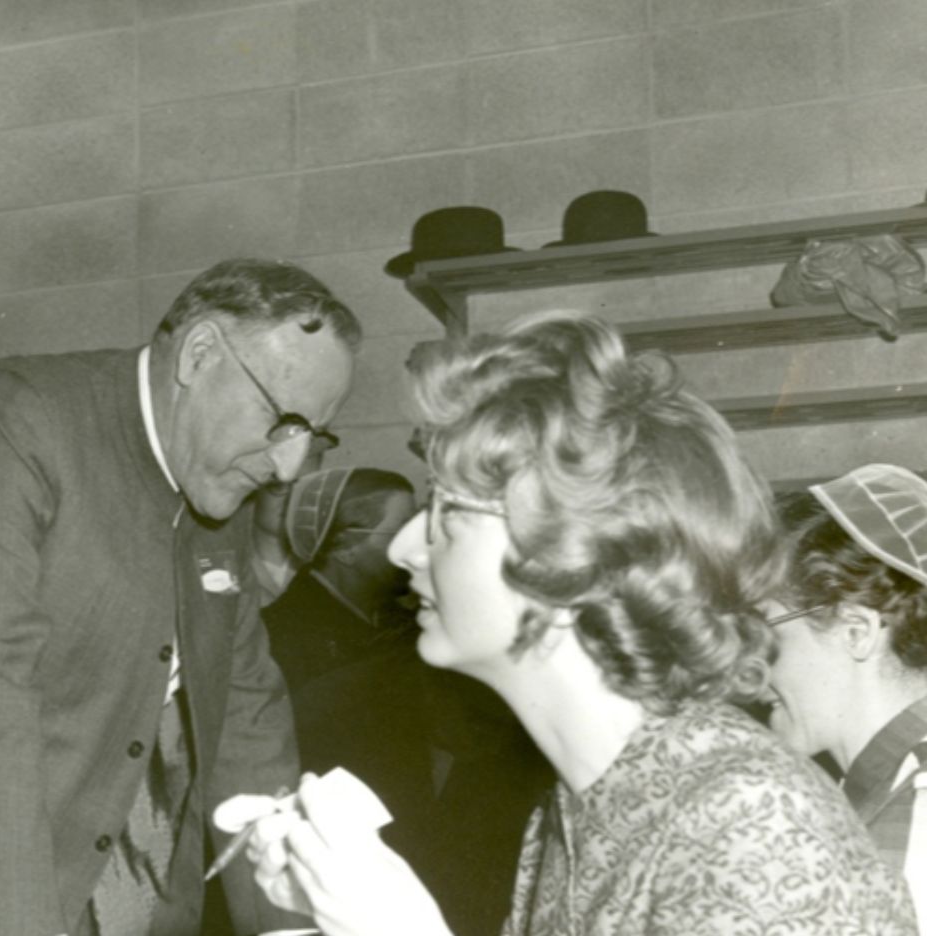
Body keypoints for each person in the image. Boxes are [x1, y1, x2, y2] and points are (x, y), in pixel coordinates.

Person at [233, 312, 914, 935]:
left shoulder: (751, 816)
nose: (406, 547)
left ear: (570, 562)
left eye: (448, 513)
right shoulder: (580, 802)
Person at [0, 259, 355, 936]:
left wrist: (290, 927)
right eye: (284, 421)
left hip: (148, 904)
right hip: (1, 897)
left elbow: (246, 714)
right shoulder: (19, 416)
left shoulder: (220, 473)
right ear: (201, 353)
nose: (288, 468)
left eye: (314, 437)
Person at [767, 463, 927, 930]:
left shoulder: (919, 813)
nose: (747, 667)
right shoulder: (876, 793)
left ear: (856, 631)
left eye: (764, 630)